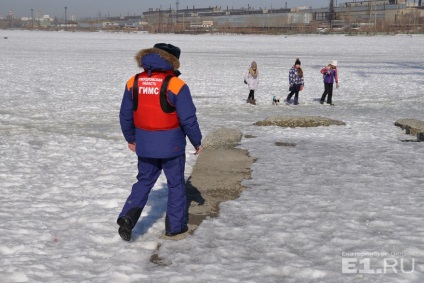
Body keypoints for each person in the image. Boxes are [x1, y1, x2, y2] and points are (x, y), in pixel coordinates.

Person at [117, 43, 203, 241]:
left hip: (145, 144)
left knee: (144, 181)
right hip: (171, 146)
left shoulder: (133, 82)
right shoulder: (176, 85)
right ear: (173, 61)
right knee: (175, 185)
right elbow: (188, 118)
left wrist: (131, 138)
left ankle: (127, 217)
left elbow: (125, 115)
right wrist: (196, 141)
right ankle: (175, 227)